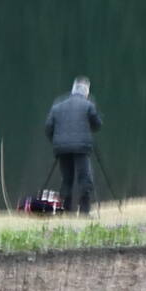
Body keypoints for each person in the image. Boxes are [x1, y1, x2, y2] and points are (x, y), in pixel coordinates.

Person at [43, 77, 102, 216]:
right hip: (81, 147)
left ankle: (66, 209)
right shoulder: (88, 105)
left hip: (61, 148)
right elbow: (98, 124)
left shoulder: (57, 106)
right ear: (86, 91)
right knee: (84, 178)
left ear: (73, 90)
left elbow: (48, 127)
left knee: (67, 178)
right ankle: (84, 210)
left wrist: (57, 141)